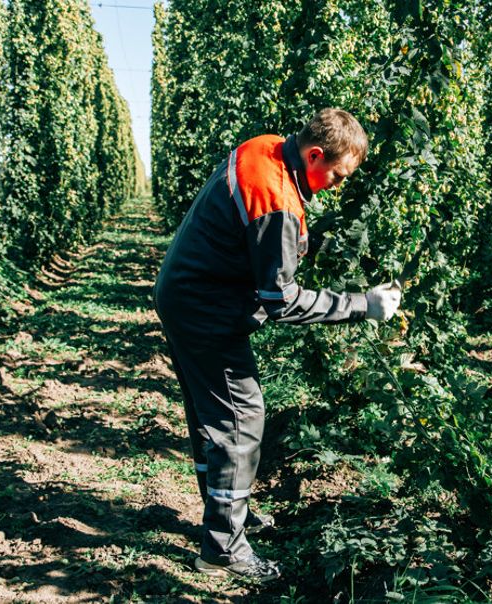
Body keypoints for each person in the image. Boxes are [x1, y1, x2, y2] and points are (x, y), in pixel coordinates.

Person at [153, 108, 401, 582]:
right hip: (206, 312)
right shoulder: (276, 200)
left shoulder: (267, 148)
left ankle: (227, 518)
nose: (338, 184)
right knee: (241, 421)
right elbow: (280, 299)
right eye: (338, 174)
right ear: (314, 155)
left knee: (214, 420)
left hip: (185, 295)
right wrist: (362, 305)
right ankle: (222, 550)